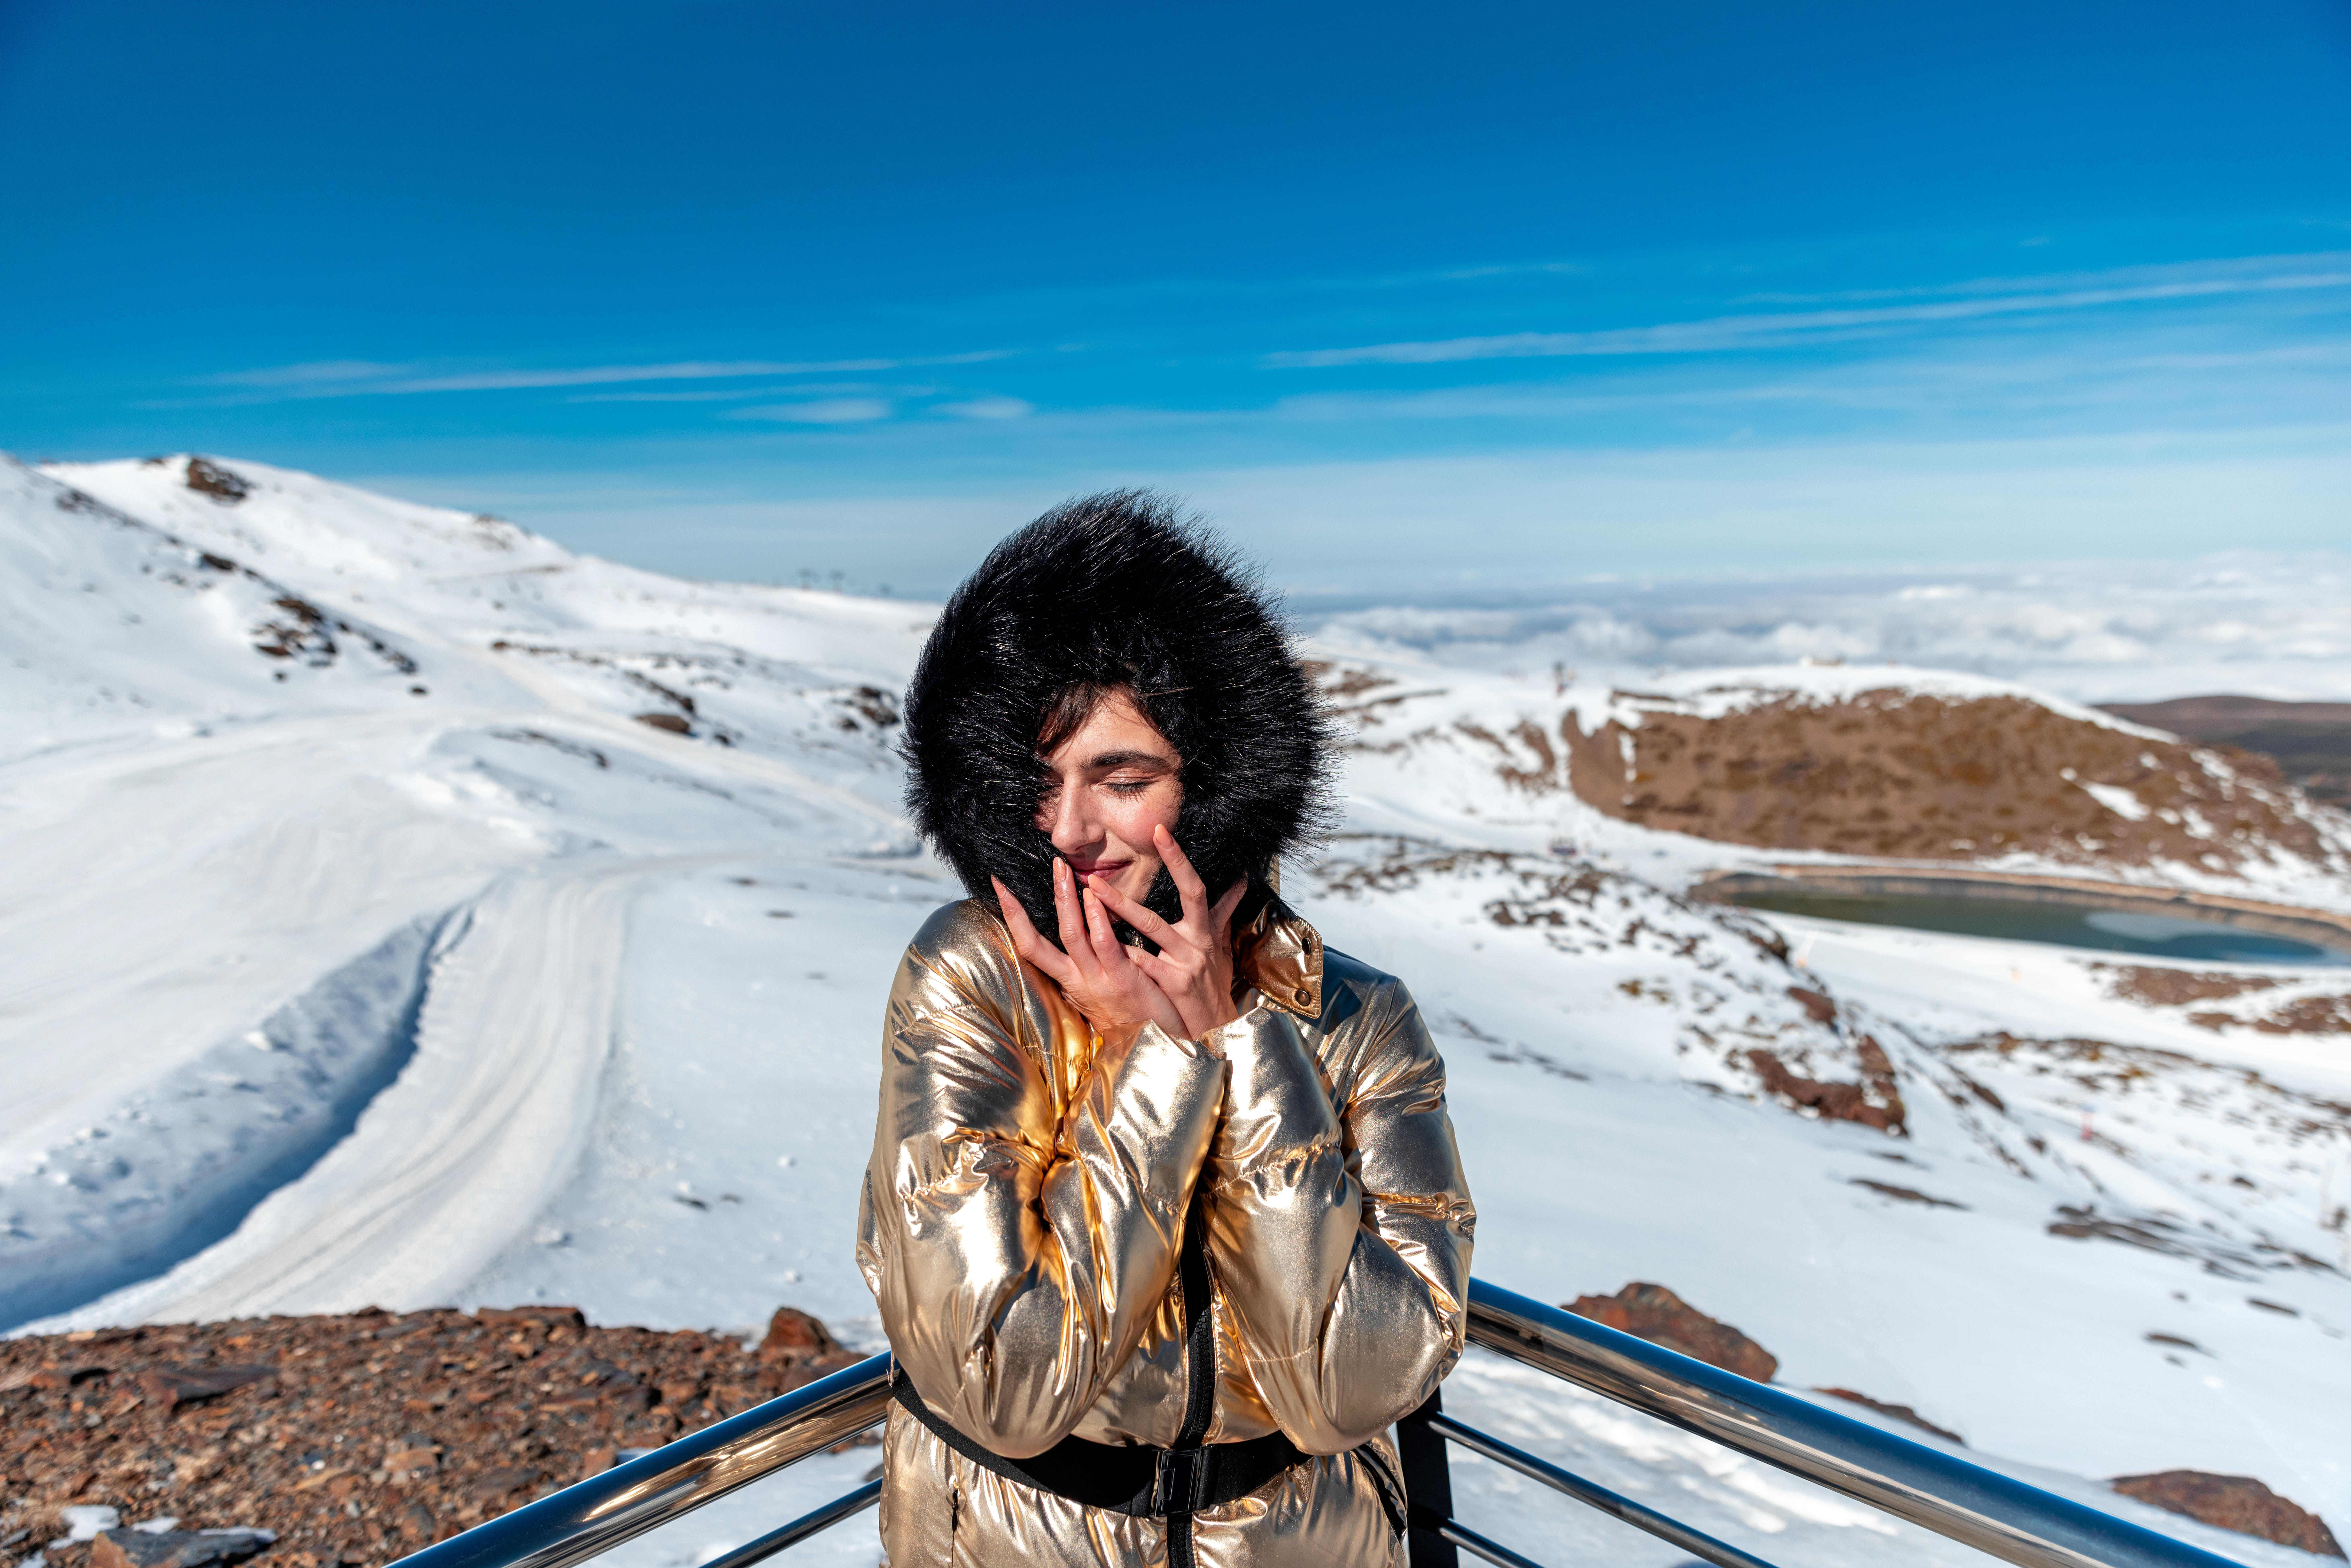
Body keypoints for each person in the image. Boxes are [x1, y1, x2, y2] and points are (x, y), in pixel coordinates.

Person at [857, 492, 1475, 1567]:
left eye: (1123, 780)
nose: (1068, 829)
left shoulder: (1355, 1016)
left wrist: (1240, 1041)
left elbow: (1351, 1395)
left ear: (1217, 782)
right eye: (1037, 783)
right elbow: (1004, 1388)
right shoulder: (971, 979)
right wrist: (1159, 1065)